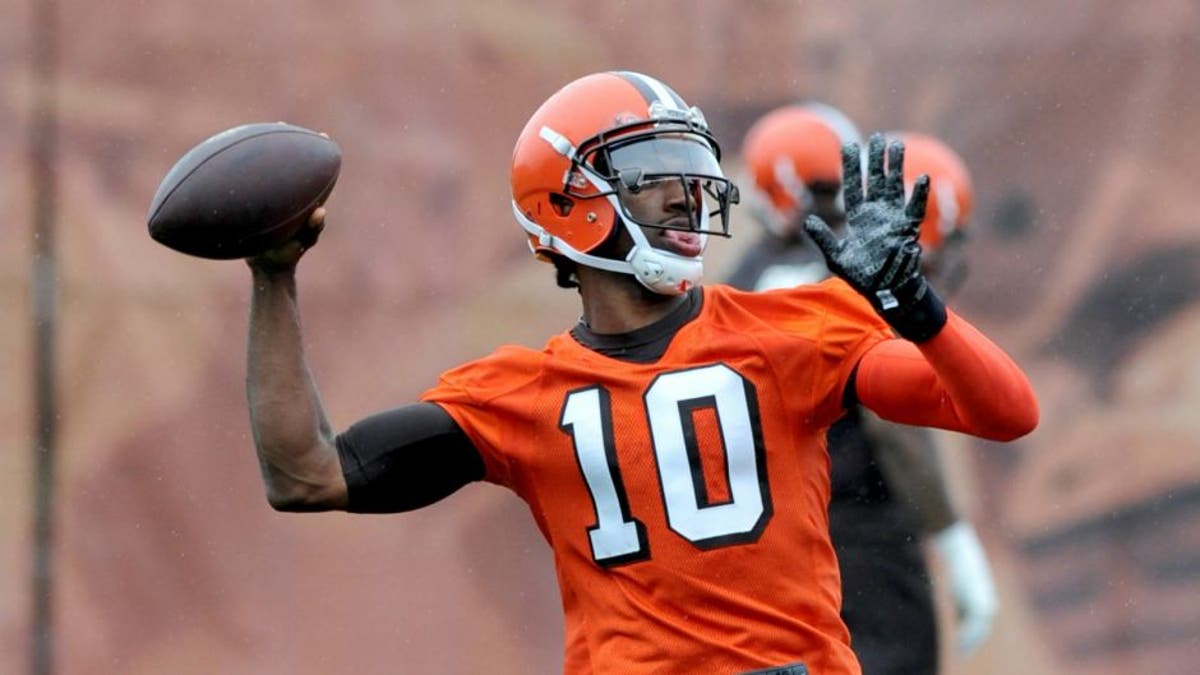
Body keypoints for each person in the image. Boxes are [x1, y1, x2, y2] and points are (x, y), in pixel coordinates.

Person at [241, 71, 1038, 675]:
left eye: (695, 181)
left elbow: (1006, 412)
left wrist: (915, 303)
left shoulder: (789, 330)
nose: (692, 205)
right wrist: (273, 278)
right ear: (573, 204)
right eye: (663, 186)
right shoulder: (519, 394)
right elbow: (308, 475)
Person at [730, 106, 998, 674]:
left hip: (767, 536)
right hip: (858, 529)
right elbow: (891, 423)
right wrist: (951, 536)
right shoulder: (849, 280)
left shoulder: (746, 277)